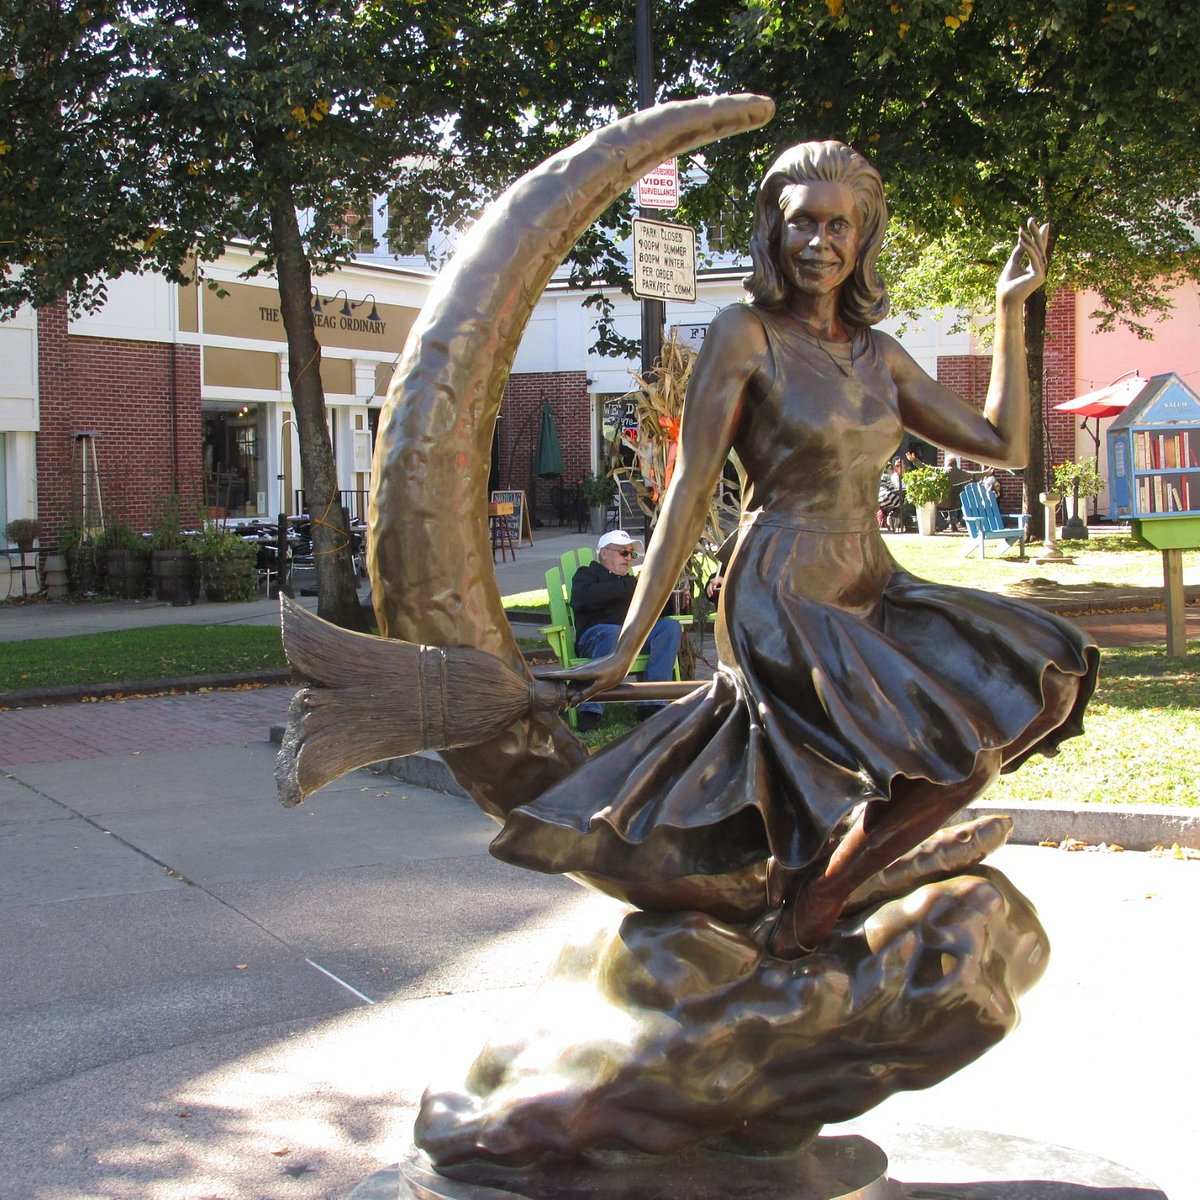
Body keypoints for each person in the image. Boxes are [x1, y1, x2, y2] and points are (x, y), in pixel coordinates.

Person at [494, 140, 1097, 960]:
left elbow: (1004, 443)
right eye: (801, 223)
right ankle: (815, 905)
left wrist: (1009, 311)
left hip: (871, 578)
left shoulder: (879, 355)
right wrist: (629, 642)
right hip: (782, 589)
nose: (820, 242)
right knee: (943, 748)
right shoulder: (746, 335)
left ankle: (825, 888)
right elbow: (688, 491)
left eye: (838, 225)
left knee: (1041, 677)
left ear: (864, 238)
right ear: (773, 236)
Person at [570, 529, 682, 732]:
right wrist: (626, 588)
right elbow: (582, 599)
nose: (629, 558)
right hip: (596, 638)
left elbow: (654, 609)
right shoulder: (587, 574)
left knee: (670, 627)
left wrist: (676, 602)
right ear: (605, 553)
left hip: (633, 637)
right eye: (623, 553)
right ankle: (590, 709)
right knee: (612, 632)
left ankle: (652, 702)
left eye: (631, 554)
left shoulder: (631, 582)